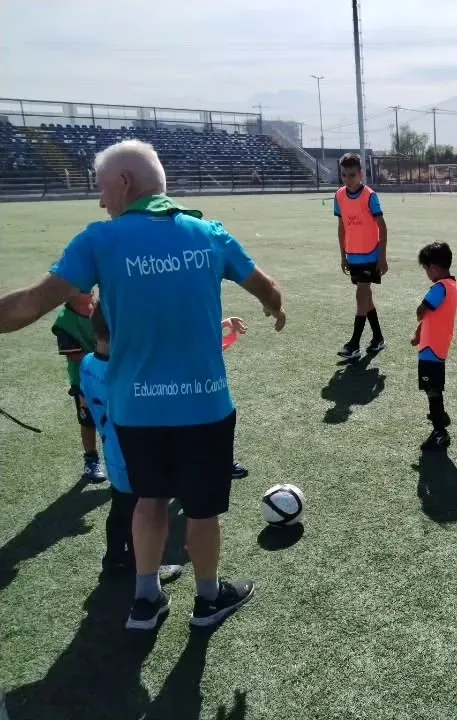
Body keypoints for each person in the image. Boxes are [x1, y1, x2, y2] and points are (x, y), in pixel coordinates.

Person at [0, 139, 286, 631]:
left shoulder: (98, 241)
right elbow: (266, 285)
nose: (100, 200)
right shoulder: (208, 234)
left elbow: (28, 304)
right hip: (205, 407)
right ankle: (208, 598)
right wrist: (275, 306)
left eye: (101, 188)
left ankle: (146, 600)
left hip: (136, 408)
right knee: (200, 510)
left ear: (125, 183)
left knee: (149, 499)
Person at [79, 301, 183, 584]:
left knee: (120, 509)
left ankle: (115, 559)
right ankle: (146, 565)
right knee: (146, 512)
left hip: (112, 454)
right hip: (139, 457)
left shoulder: (87, 364)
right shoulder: (130, 371)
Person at [334, 153, 388, 361]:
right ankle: (378, 338)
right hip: (353, 255)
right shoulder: (339, 196)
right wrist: (342, 255)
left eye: (352, 175)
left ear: (361, 174)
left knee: (361, 294)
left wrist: (382, 257)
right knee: (367, 298)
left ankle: (354, 343)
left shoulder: (370, 196)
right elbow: (341, 227)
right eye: (344, 175)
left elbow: (382, 227)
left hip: (370, 255)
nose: (348, 179)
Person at [51, 293, 106, 483]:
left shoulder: (101, 307)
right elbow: (74, 356)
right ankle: (91, 459)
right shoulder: (64, 322)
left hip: (111, 378)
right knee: (88, 421)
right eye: (81, 283)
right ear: (69, 293)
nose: (89, 286)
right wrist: (102, 362)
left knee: (116, 419)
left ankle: (122, 459)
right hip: (83, 381)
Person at [411, 242, 457, 451]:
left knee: (432, 389)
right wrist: (418, 333)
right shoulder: (453, 285)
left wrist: (419, 316)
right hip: (436, 344)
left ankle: (440, 431)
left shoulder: (439, 288)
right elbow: (433, 315)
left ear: (434, 267)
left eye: (426, 269)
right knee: (433, 386)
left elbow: (422, 310)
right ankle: (439, 416)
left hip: (431, 348)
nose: (427, 273)